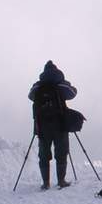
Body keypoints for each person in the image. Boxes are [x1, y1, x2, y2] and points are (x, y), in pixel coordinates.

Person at [29, 61, 77, 189]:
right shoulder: (60, 84)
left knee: (44, 155)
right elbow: (72, 93)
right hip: (60, 124)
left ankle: (45, 183)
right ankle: (61, 181)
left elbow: (30, 96)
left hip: (42, 126)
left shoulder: (38, 86)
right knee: (61, 152)